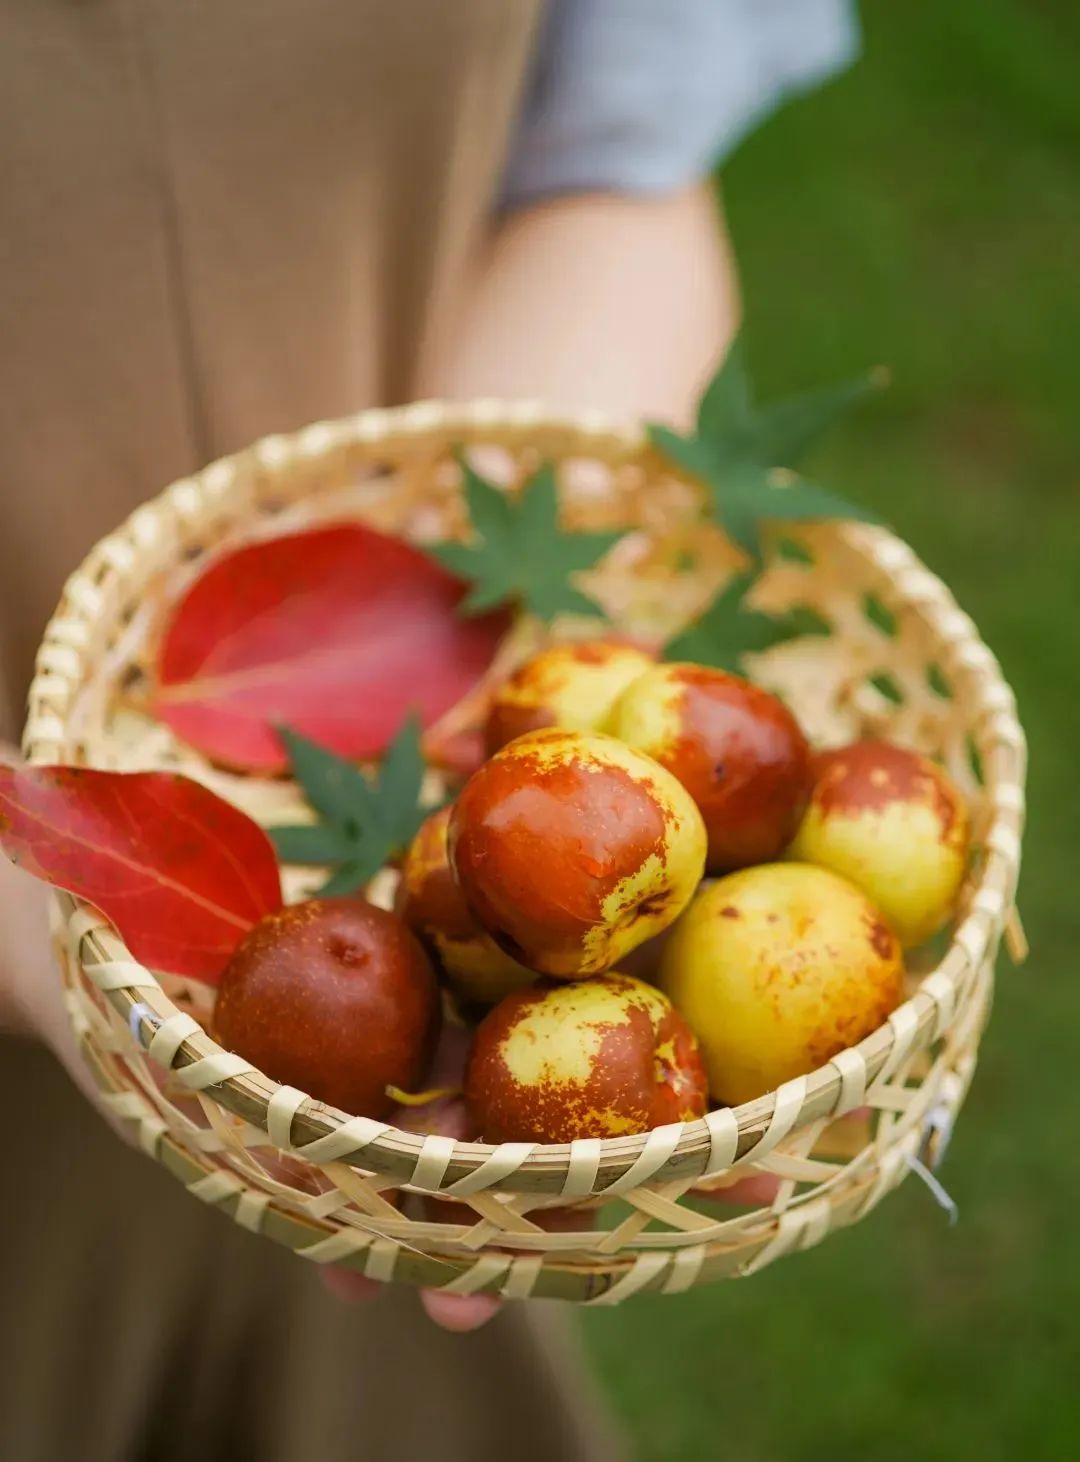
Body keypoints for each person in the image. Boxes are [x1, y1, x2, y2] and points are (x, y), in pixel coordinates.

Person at [0, 2, 857, 1457]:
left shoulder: (502, 837)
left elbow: (621, 156)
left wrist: (492, 558)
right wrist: (42, 927)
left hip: (375, 802)